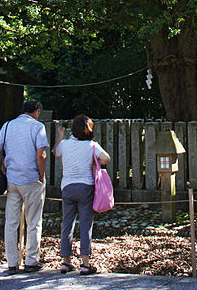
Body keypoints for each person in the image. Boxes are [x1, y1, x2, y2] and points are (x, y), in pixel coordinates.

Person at [0, 99, 49, 274]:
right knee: (33, 221)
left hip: (12, 179)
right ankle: (31, 260)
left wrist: (3, 168)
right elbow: (41, 154)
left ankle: (12, 262)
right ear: (37, 112)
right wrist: (41, 174)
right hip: (31, 178)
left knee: (11, 222)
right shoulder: (38, 127)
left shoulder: (8, 125)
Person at [53, 114, 110, 275]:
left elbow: (55, 152)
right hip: (86, 187)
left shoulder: (64, 144)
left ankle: (65, 261)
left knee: (67, 224)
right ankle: (85, 263)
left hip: (67, 187)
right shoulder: (92, 145)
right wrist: (94, 161)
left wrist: (60, 136)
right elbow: (106, 158)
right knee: (85, 224)